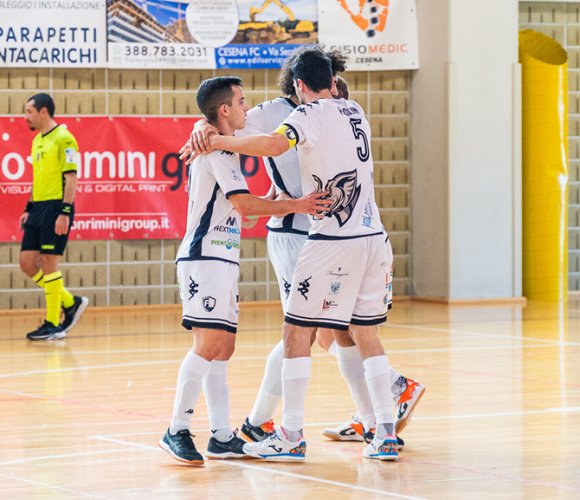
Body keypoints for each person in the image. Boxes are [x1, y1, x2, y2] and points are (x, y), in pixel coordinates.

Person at [182, 52, 424, 451]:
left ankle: (274, 425)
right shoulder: (294, 110)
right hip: (314, 232)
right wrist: (201, 129)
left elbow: (268, 143)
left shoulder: (317, 113)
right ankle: (376, 415)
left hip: (322, 235)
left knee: (311, 331)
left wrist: (213, 135)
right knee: (339, 331)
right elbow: (221, 121)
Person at [159, 76, 330, 466]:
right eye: (241, 102)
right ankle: (176, 429)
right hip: (204, 256)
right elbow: (245, 207)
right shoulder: (216, 151)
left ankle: (221, 436)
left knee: (224, 349)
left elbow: (243, 204)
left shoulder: (226, 148)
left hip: (222, 257)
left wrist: (272, 199)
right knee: (208, 346)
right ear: (224, 110)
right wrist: (297, 205)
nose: (246, 108)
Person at [19, 93, 88, 341]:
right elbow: (38, 178)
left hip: (56, 207)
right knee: (27, 262)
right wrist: (29, 207)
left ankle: (53, 323)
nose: (25, 116)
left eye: (29, 111)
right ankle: (70, 301)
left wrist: (65, 211)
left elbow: (71, 178)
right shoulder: (37, 140)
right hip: (38, 208)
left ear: (43, 111)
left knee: (49, 264)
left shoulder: (65, 138)